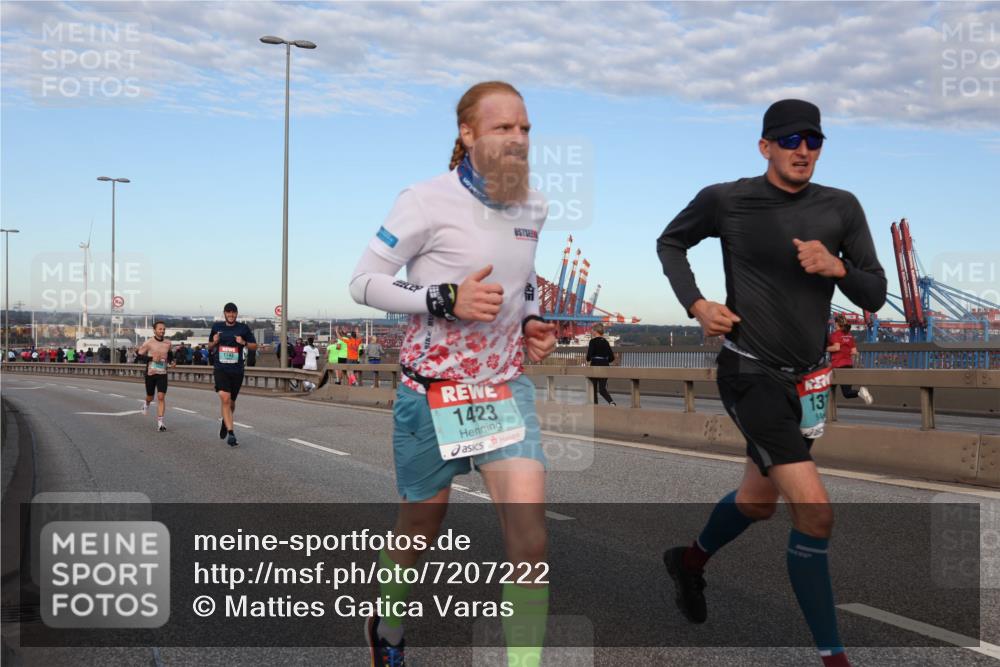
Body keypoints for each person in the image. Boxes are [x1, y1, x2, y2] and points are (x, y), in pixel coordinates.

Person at [656, 99, 886, 667]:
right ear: (765, 147)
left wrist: (839, 269)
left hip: (807, 382)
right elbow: (671, 242)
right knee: (815, 512)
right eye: (789, 140)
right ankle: (835, 659)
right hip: (748, 370)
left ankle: (689, 562)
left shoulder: (842, 208)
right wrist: (698, 304)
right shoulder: (727, 200)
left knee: (758, 503)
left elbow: (875, 293)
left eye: (813, 140)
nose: (802, 150)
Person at [350, 80, 557, 667]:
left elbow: (526, 275)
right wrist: (445, 298)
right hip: (432, 393)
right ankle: (387, 629)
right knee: (421, 526)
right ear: (467, 134)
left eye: (525, 129)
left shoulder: (534, 205)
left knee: (530, 541)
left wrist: (532, 320)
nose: (518, 139)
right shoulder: (424, 200)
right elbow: (364, 281)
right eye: (503, 128)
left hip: (502, 388)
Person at [207, 302, 257, 447]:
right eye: (228, 312)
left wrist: (244, 342)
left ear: (236, 313)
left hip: (237, 370)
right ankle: (231, 433)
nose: (231, 315)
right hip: (220, 368)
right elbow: (209, 345)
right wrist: (214, 341)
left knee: (231, 403)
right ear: (224, 313)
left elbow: (254, 346)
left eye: (233, 312)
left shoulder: (243, 328)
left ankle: (225, 421)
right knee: (225, 398)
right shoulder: (217, 327)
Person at [136, 321, 175, 432]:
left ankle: (160, 423)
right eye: (160, 329)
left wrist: (172, 361)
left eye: (163, 329)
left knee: (161, 397)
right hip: (151, 373)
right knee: (150, 396)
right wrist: (151, 359)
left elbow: (170, 355)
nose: (162, 331)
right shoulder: (149, 342)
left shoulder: (168, 343)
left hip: (162, 373)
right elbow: (139, 356)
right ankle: (146, 403)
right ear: (154, 330)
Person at [827, 315, 872, 404]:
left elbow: (836, 348)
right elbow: (854, 352)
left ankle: (827, 414)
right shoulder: (849, 335)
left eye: (834, 323)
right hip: (848, 365)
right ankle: (860, 393)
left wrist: (825, 348)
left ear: (836, 323)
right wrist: (845, 352)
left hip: (837, 366)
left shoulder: (835, 334)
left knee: (826, 387)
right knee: (847, 393)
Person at [586, 323, 616, 406]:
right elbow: (612, 357)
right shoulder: (606, 342)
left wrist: (589, 359)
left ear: (595, 331)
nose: (591, 331)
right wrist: (605, 361)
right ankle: (611, 402)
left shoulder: (592, 341)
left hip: (595, 365)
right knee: (602, 389)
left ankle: (595, 406)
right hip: (605, 365)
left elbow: (589, 356)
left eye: (592, 330)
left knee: (594, 389)